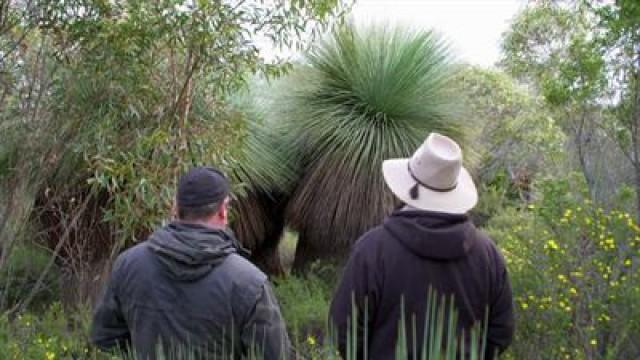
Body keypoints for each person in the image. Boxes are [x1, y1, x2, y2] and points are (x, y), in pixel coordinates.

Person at [329, 133, 514, 359]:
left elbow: (343, 329)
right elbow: (501, 332)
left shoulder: (373, 249)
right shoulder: (487, 254)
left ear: (408, 187)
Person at [91, 166, 291, 360]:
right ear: (223, 210)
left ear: (175, 208)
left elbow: (105, 338)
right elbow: (276, 355)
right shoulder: (249, 282)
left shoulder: (128, 264)